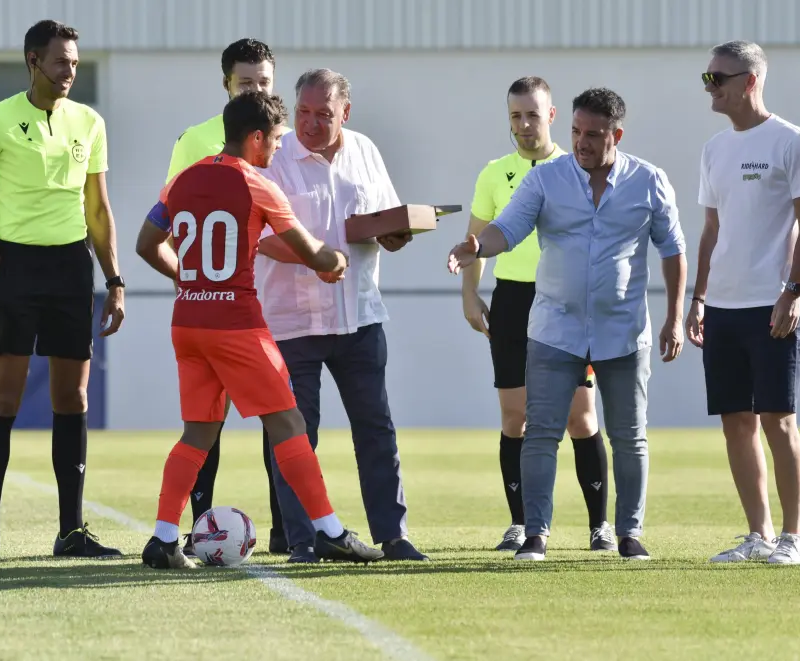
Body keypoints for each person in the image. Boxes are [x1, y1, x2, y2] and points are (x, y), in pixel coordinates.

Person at [135, 90, 384, 570]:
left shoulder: (181, 182)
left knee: (198, 432)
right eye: (272, 140)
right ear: (254, 138)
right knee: (289, 424)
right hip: (237, 325)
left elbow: (147, 243)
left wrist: (190, 278)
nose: (276, 150)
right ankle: (330, 533)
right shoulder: (258, 186)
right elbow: (315, 254)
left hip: (188, 322)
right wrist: (337, 260)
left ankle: (164, 538)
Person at [448, 88, 687, 562]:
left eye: (593, 135)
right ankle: (535, 534)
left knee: (629, 435)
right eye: (576, 131)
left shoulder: (649, 181)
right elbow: (507, 228)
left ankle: (628, 534)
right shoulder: (545, 180)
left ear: (616, 135)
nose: (581, 142)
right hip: (555, 328)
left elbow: (673, 250)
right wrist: (474, 247)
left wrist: (675, 318)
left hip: (623, 331)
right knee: (540, 431)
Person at [0, 20, 126, 562]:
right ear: (33, 60)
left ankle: (70, 531)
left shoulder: (90, 122)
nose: (69, 71)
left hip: (72, 269)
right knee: (3, 395)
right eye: (60, 61)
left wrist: (115, 280)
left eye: (74, 62)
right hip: (17, 269)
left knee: (71, 397)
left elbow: (98, 211)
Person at [254, 68, 428, 562]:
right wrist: (314, 256)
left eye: (323, 115)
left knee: (376, 428)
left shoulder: (367, 151)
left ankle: (393, 536)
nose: (309, 123)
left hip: (360, 316)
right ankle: (302, 540)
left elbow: (386, 218)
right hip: (291, 321)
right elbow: (260, 236)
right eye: (304, 112)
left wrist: (398, 233)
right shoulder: (274, 155)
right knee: (293, 437)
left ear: (345, 113)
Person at [463, 76, 614, 553]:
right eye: (515, 116)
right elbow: (477, 240)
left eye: (533, 114)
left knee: (580, 417)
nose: (524, 124)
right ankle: (522, 524)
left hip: (566, 302)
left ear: (551, 116)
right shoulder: (493, 173)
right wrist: (470, 293)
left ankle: (600, 527)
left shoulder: (574, 170)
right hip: (511, 302)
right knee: (515, 418)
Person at [688, 41, 800, 565]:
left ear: (750, 80)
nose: (710, 87)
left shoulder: (793, 141)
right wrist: (698, 298)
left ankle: (795, 536)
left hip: (774, 302)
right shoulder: (714, 148)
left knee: (778, 419)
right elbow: (711, 230)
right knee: (735, 421)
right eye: (707, 77)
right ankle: (758, 535)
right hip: (721, 306)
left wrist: (795, 289)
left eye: (717, 78)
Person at [164, 37, 291, 557]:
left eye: (263, 81)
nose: (256, 89)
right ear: (226, 85)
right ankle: (199, 527)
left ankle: (290, 530)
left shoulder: (287, 138)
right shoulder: (197, 140)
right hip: (223, 307)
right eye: (246, 82)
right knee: (206, 422)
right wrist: (192, 284)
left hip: (280, 300)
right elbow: (170, 224)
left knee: (278, 418)